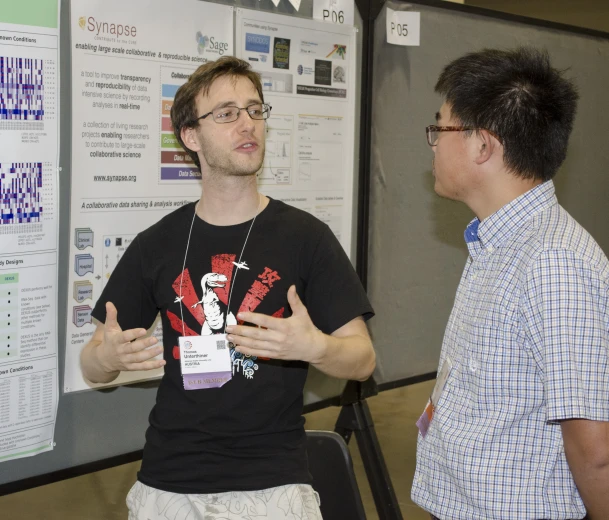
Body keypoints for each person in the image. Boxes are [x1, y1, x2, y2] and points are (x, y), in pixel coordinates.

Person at [80, 56, 376, 519]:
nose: (248, 125)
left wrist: (315, 346)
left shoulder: (306, 238)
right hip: (170, 484)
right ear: (191, 137)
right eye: (227, 113)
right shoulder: (157, 243)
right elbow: (93, 365)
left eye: (255, 110)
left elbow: (362, 359)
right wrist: (109, 357)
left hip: (273, 482)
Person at [413, 47, 609, 520]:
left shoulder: (553, 262)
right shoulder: (499, 241)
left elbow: (596, 450)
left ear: (484, 145)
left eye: (441, 127)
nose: (434, 142)